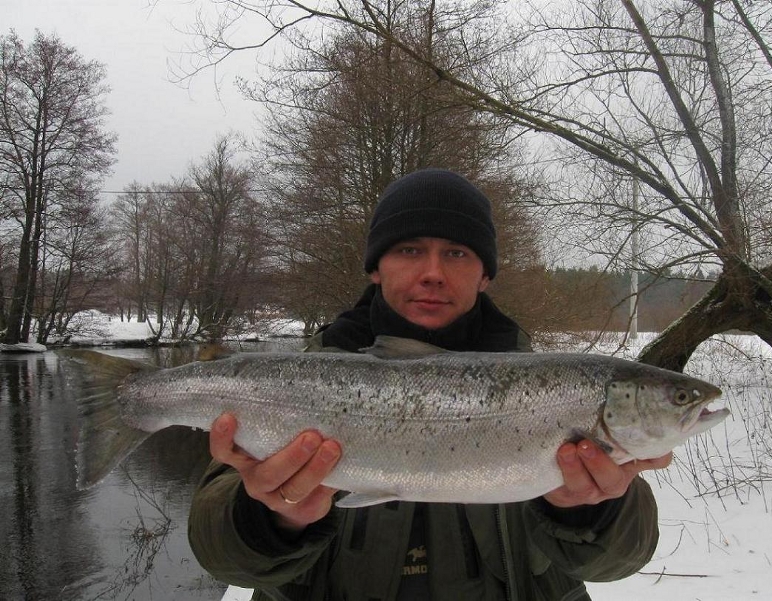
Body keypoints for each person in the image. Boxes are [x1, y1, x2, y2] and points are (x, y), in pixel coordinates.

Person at [188, 168, 671, 600]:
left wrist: (589, 512)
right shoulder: (285, 390)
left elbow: (619, 562)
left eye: (456, 253)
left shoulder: (556, 394)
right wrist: (275, 518)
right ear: (376, 267)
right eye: (410, 250)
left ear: (485, 275)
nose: (433, 274)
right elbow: (223, 560)